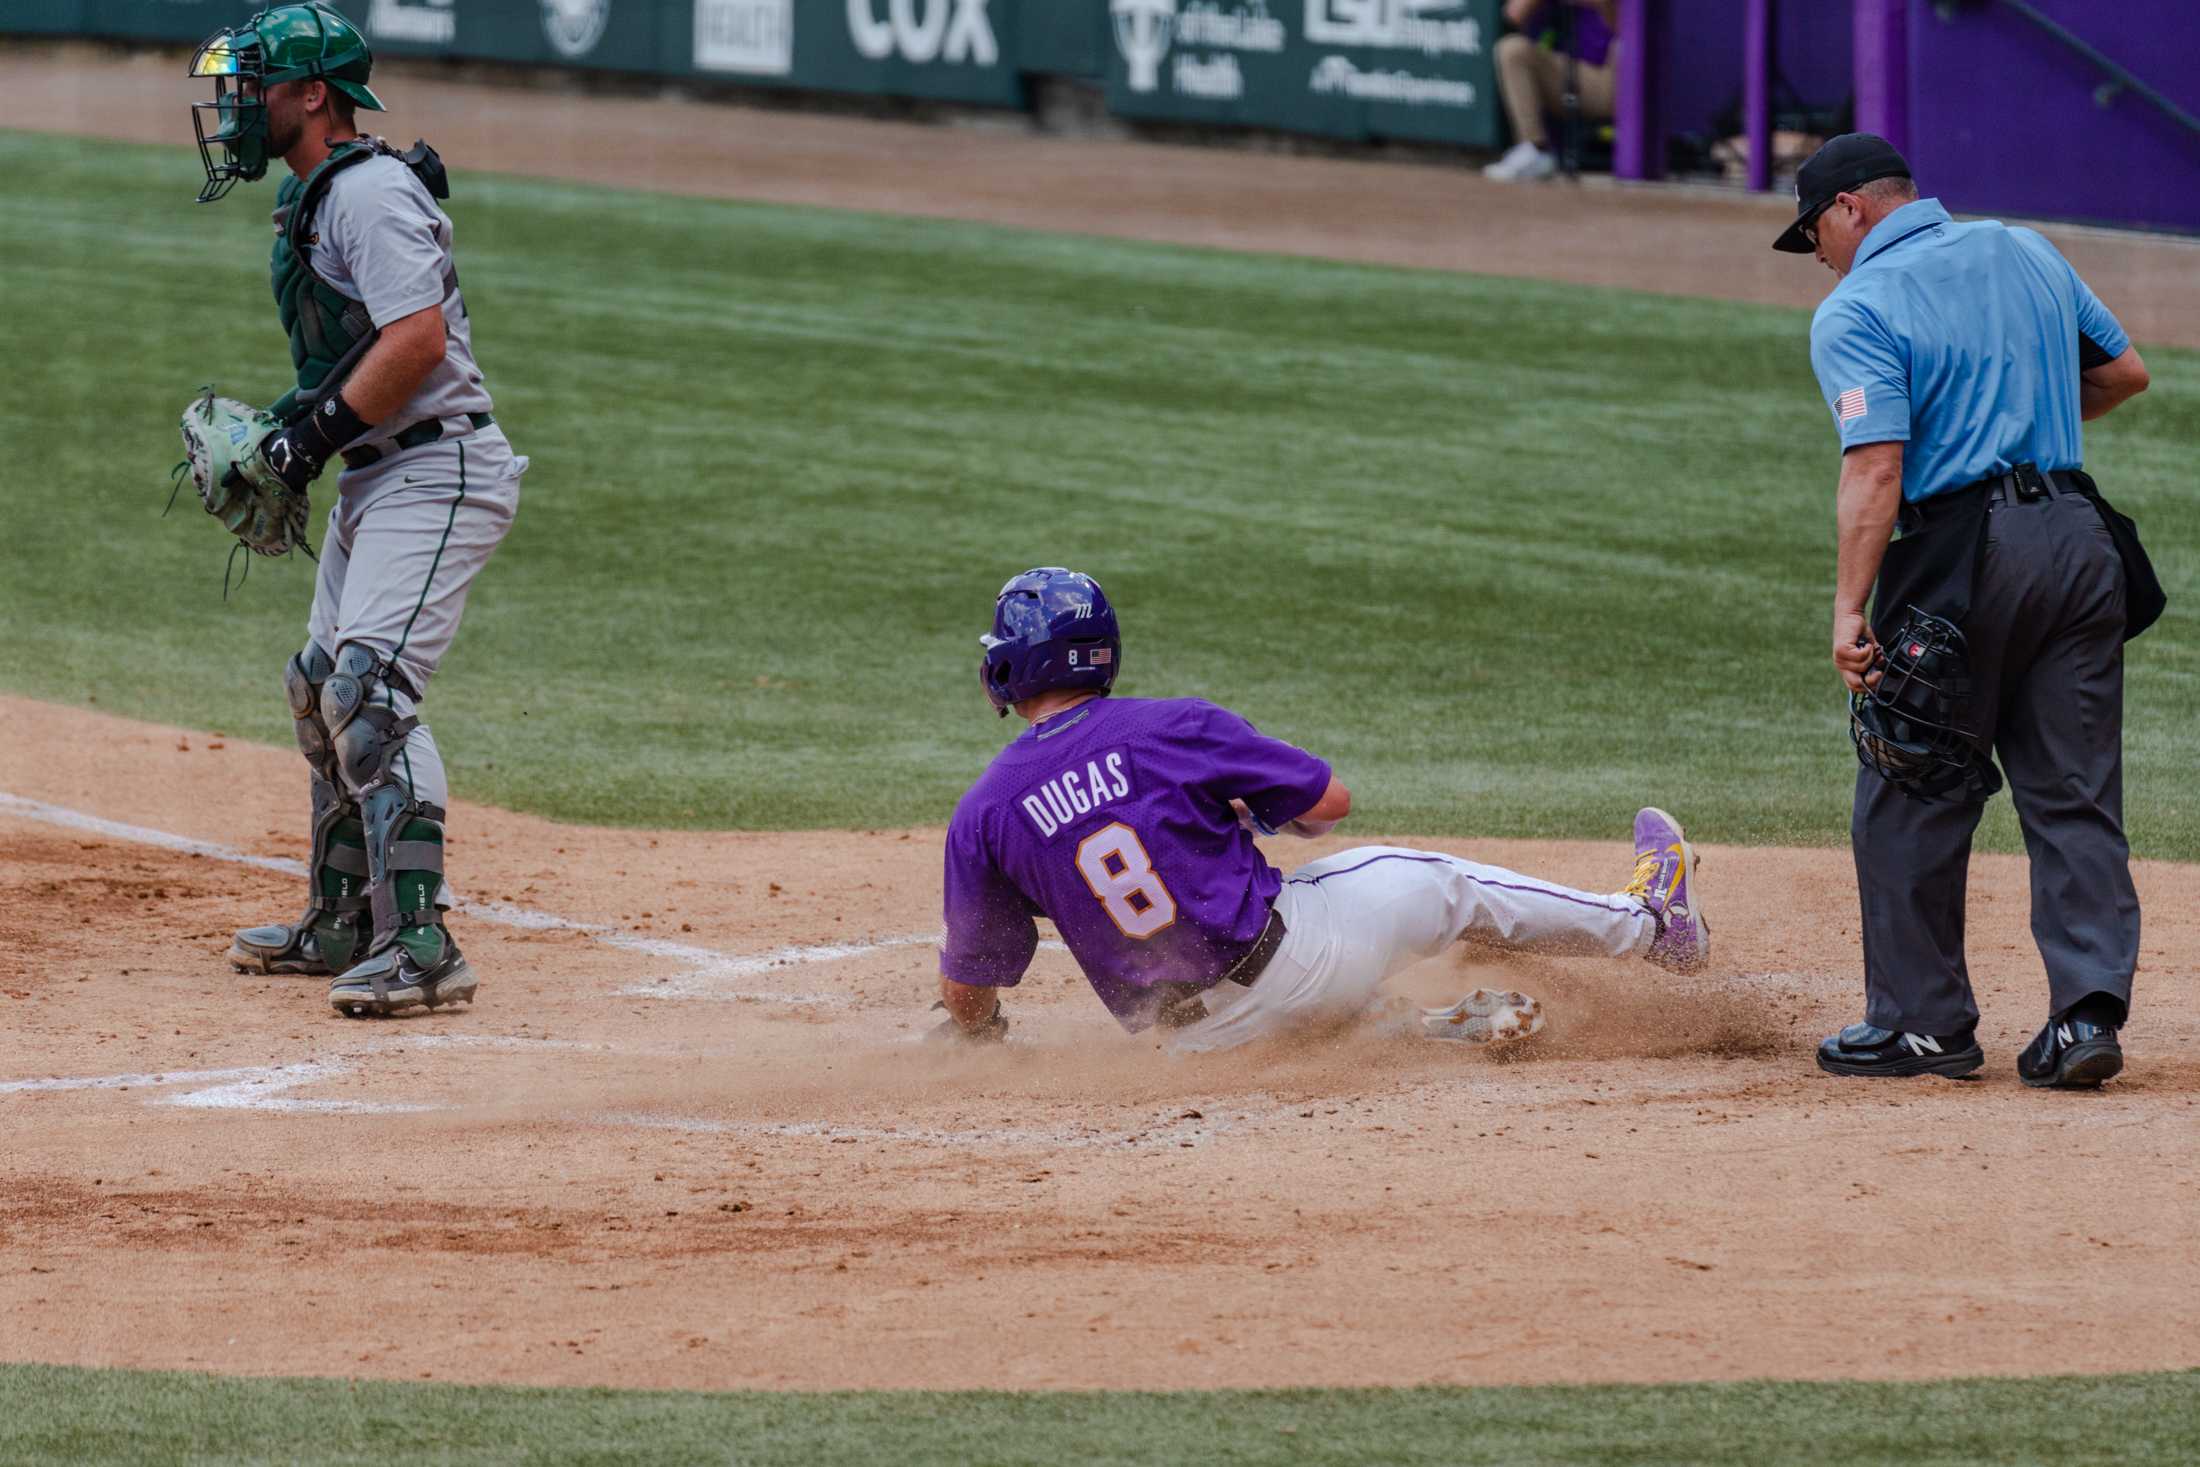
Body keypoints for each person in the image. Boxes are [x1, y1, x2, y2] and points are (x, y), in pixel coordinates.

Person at [929, 568, 1709, 1051]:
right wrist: (1260, 814)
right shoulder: (1170, 724)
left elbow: (968, 979)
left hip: (1200, 1044)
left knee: (1299, 977)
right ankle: (1650, 924)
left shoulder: (983, 810)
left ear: (1013, 666)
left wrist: (980, 1036)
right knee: (1434, 881)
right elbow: (1328, 805)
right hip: (1301, 965)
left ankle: (1393, 1033)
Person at [1778, 134, 2154, 1085]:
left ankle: (1923, 1023)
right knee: (2072, 789)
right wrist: (2018, 413)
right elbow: (2122, 374)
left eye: (1814, 230)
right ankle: (2085, 1018)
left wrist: (1846, 608)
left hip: (1962, 556)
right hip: (2078, 537)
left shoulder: (1856, 304)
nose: (1818, 252)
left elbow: (1876, 466)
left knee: (1909, 782)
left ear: (1852, 208)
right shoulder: (2025, 248)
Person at [187, 4, 525, 1017]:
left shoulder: (370, 195)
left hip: (441, 470)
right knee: (318, 684)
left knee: (367, 697)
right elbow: (354, 355)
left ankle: (421, 943)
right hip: (384, 474)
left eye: (249, 87)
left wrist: (306, 440)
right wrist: (297, 428)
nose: (234, 107)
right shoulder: (319, 198)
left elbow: (417, 341)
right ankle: (343, 921)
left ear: (310, 95)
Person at [1484, 0, 1619, 183]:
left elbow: (1620, 22)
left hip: (1612, 79)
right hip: (1564, 73)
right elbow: (1514, 13)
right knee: (1512, 49)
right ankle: (1535, 149)